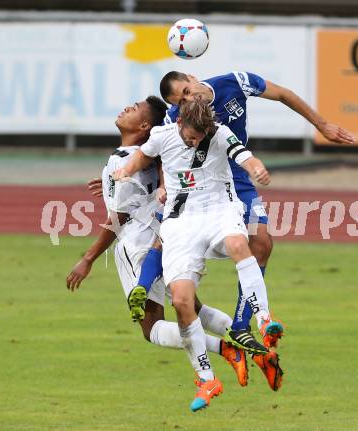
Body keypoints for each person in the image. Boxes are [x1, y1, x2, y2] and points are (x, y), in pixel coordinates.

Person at [136, 70, 355, 352]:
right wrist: (165, 185)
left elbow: (284, 94)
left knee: (261, 242)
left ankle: (241, 324)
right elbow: (166, 152)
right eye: (181, 100)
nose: (189, 100)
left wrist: (322, 125)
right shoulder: (172, 118)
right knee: (167, 238)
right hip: (201, 187)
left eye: (188, 91)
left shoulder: (235, 82)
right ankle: (149, 286)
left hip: (238, 180)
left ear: (192, 76)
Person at [65, 96, 251, 390]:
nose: (127, 107)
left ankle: (226, 349)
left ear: (144, 126)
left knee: (151, 328)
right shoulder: (154, 151)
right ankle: (242, 334)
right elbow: (155, 178)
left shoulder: (124, 157)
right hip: (165, 238)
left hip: (138, 245)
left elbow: (120, 216)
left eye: (135, 108)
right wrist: (111, 185)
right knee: (191, 305)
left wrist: (88, 259)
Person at [113, 98, 283, 412]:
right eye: (192, 136)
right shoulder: (163, 135)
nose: (196, 141)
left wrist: (255, 166)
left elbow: (242, 155)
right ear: (180, 124)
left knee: (237, 245)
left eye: (200, 137)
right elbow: (142, 156)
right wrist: (125, 170)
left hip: (220, 210)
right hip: (181, 223)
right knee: (181, 301)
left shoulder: (218, 133)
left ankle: (265, 319)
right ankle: (207, 378)